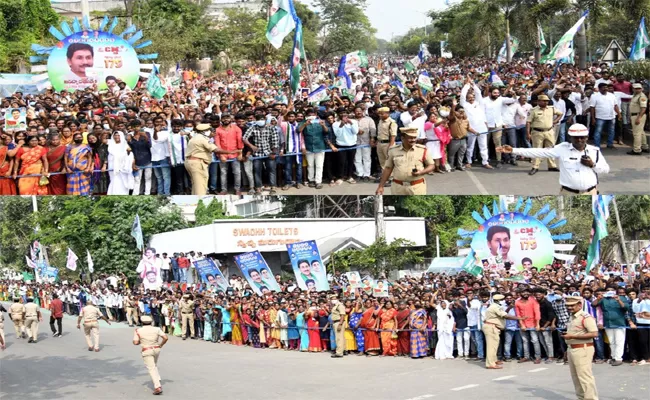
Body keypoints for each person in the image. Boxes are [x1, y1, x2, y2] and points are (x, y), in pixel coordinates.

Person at [498, 124, 610, 195]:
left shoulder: (594, 151)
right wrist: (513, 150)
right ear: (570, 137)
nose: (579, 140)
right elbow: (538, 152)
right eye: (576, 137)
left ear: (586, 137)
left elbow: (605, 170)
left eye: (582, 137)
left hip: (591, 193)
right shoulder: (562, 148)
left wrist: (592, 164)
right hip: (568, 193)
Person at [376, 127, 435, 195]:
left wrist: (421, 172)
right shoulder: (393, 151)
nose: (413, 140)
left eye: (414, 137)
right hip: (398, 188)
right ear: (402, 138)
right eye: (410, 138)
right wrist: (380, 186)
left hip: (417, 187)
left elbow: (431, 165)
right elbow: (388, 168)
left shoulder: (422, 150)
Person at [562, 296, 599, 400]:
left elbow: (594, 333)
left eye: (572, 305)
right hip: (572, 348)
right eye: (568, 306)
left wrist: (573, 337)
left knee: (584, 377)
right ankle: (582, 398)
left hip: (583, 349)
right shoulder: (572, 316)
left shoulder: (585, 317)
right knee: (576, 378)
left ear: (579, 305)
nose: (569, 308)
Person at [185, 123, 235, 195]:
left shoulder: (195, 137)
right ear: (204, 131)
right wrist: (231, 152)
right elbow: (216, 150)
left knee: (196, 185)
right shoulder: (202, 139)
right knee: (201, 187)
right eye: (209, 130)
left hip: (192, 162)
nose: (211, 131)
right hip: (198, 163)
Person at [482, 294, 527, 369]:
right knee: (491, 346)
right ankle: (490, 364)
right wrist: (520, 318)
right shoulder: (495, 307)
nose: (503, 301)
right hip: (491, 327)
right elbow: (506, 316)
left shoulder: (495, 306)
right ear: (499, 300)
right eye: (502, 300)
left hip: (493, 327)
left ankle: (494, 360)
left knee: (495, 346)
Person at [133, 315, 168, 395]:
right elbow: (165, 338)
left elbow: (135, 342)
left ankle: (157, 386)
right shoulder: (157, 329)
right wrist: (161, 345)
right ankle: (157, 378)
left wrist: (140, 341)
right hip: (156, 348)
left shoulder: (138, 330)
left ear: (142, 322)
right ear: (151, 322)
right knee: (154, 364)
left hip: (146, 350)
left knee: (151, 368)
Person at [107, 131, 135, 195]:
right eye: (115, 135)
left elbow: (130, 156)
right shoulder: (111, 144)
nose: (117, 137)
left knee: (122, 182)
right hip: (112, 166)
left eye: (118, 135)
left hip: (123, 167)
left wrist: (128, 153)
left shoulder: (125, 145)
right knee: (113, 180)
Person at [628, 83, 648, 155]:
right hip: (635, 115)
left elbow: (643, 108)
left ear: (642, 89)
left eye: (639, 88)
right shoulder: (635, 96)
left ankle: (637, 149)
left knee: (636, 133)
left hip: (638, 115)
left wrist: (639, 118)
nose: (637, 89)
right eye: (636, 88)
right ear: (633, 89)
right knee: (641, 132)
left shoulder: (642, 97)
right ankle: (644, 146)